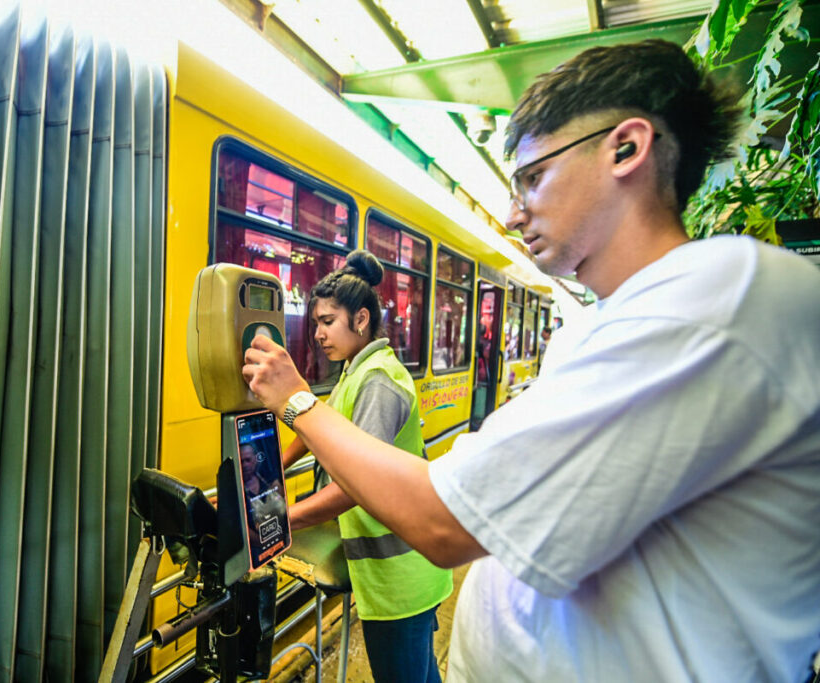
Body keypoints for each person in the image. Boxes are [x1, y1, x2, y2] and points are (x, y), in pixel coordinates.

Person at [243, 39, 820, 682]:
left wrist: (295, 399)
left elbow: (443, 521)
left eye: (533, 178)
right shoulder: (608, 326)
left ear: (625, 148)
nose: (514, 214)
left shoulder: (713, 304)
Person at [280, 250, 453, 683]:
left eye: (327, 321)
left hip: (401, 577)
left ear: (360, 319)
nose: (317, 334)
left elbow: (357, 486)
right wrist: (274, 470)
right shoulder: (354, 371)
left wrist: (284, 520)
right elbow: (318, 425)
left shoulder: (377, 381)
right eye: (316, 322)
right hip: (396, 571)